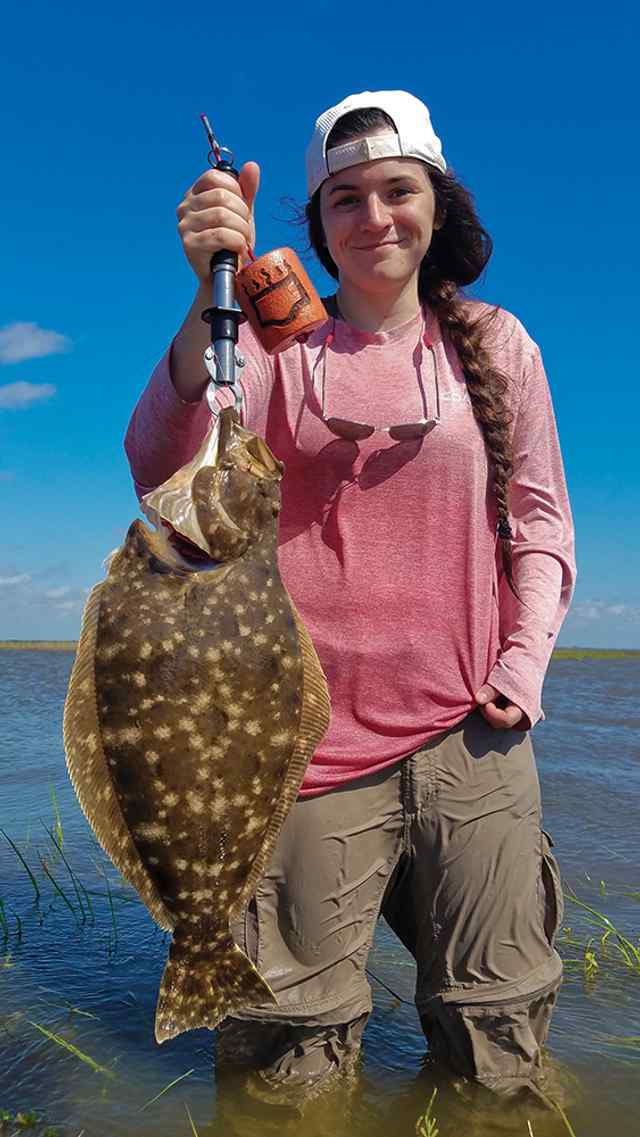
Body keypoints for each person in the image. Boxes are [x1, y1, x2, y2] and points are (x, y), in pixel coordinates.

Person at [124, 91, 576, 1107]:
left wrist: (522, 666)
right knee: (289, 1058)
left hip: (474, 736)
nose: (374, 217)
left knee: (499, 1036)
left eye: (396, 191)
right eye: (344, 199)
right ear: (317, 225)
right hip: (302, 747)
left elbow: (542, 527)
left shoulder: (498, 346)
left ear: (436, 205)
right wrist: (212, 294)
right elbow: (159, 465)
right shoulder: (276, 350)